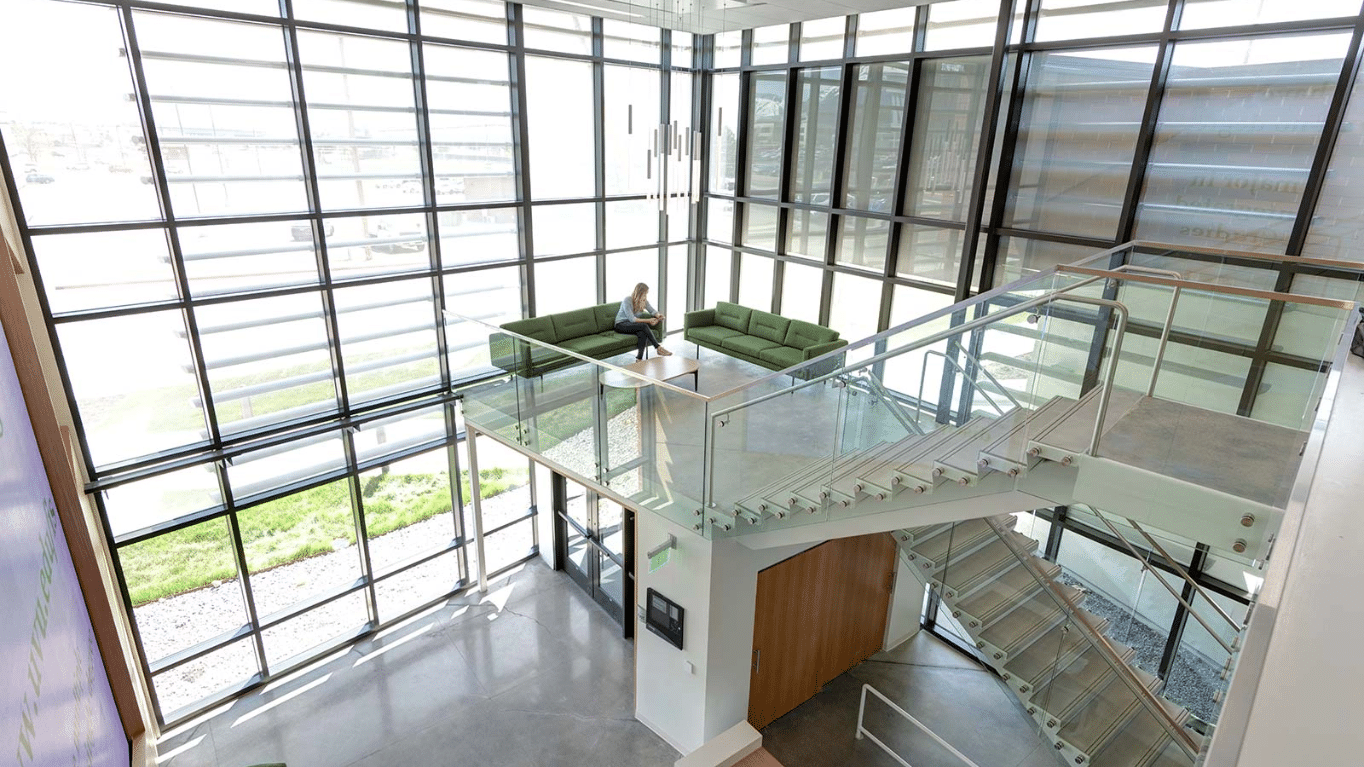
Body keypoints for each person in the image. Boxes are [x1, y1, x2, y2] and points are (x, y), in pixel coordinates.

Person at [615, 282, 672, 361]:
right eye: (645, 293)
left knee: (642, 333)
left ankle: (639, 359)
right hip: (621, 325)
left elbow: (652, 310)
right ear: (639, 293)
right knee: (644, 326)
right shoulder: (627, 300)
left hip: (632, 325)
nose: (646, 296)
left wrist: (658, 316)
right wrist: (649, 321)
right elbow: (632, 319)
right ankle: (658, 347)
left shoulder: (643, 301)